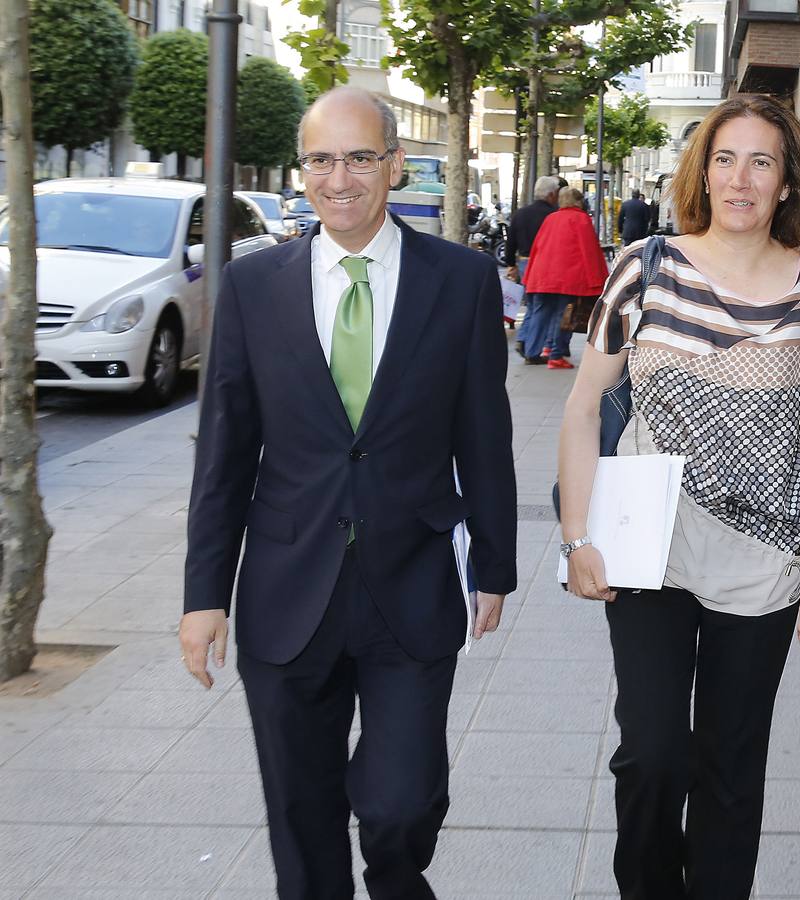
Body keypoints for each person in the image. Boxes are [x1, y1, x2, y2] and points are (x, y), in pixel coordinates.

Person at [178, 87, 517, 900]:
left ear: (393, 165)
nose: (340, 178)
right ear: (302, 174)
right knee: (301, 818)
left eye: (360, 157)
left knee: (399, 805)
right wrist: (202, 595)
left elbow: (484, 433)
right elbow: (223, 453)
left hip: (411, 585)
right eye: (322, 160)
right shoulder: (254, 287)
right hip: (286, 590)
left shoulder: (461, 280)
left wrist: (495, 565)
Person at [558, 94, 800, 899]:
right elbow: (583, 408)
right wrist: (578, 538)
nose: (740, 179)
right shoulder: (646, 266)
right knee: (650, 752)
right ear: (702, 171)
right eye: (725, 159)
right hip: (649, 546)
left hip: (765, 563)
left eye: (761, 161)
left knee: (728, 767)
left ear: (787, 182)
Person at [522, 186, 607, 370]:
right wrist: (597, 281)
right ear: (578, 201)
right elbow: (589, 251)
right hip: (568, 278)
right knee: (565, 316)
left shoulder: (550, 218)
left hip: (542, 276)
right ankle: (556, 354)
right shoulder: (581, 219)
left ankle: (533, 351)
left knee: (540, 313)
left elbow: (537, 247)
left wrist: (529, 276)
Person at [504, 175, 561, 363]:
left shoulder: (520, 213)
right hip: (547, 264)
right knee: (543, 306)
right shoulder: (554, 215)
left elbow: (510, 242)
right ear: (552, 194)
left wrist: (510, 264)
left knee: (532, 304)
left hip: (524, 262)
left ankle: (523, 339)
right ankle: (533, 349)